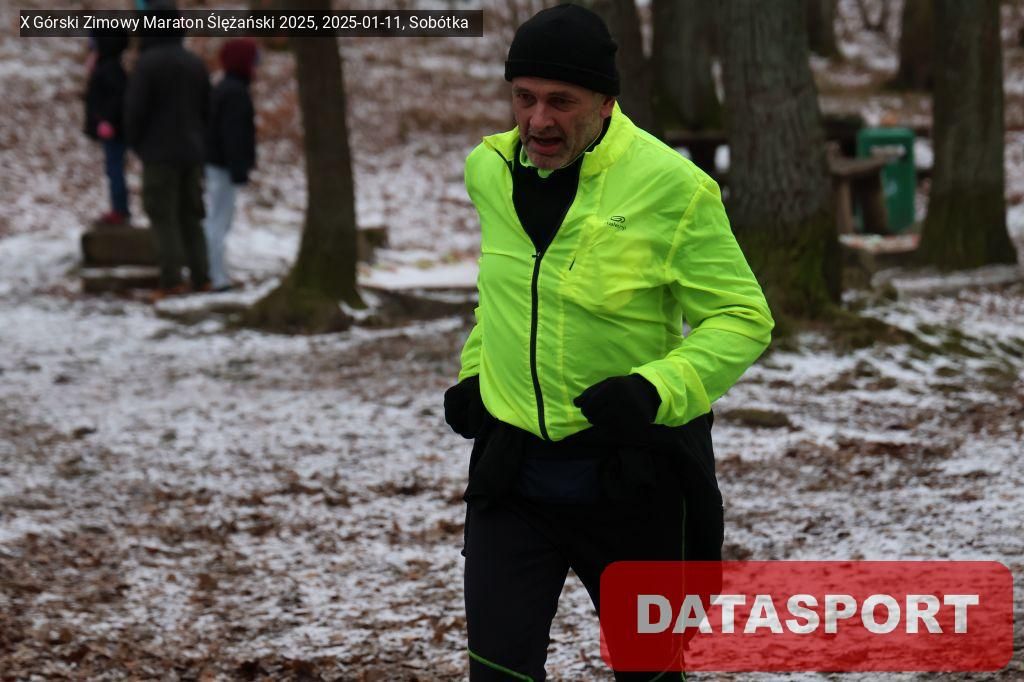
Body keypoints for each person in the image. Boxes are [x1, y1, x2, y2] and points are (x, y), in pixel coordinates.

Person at [443, 4, 774, 680]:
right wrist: (476, 373)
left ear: (605, 102)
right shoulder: (488, 170)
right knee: (497, 673)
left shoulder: (672, 187)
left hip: (633, 480)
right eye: (524, 98)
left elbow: (742, 317)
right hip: (513, 476)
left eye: (561, 101)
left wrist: (655, 389)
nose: (538, 120)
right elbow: (503, 294)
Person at [123, 0, 211, 300]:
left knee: (163, 216)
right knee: (191, 216)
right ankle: (202, 276)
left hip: (159, 153)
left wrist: (137, 142)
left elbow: (135, 110)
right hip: (193, 152)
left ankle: (172, 279)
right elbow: (206, 108)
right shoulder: (194, 63)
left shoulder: (148, 64)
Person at [203, 38, 258, 293]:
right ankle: (216, 276)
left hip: (219, 164)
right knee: (218, 220)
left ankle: (215, 272)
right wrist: (239, 168)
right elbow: (233, 135)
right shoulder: (234, 93)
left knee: (219, 219)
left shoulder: (227, 89)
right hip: (222, 166)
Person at [83, 29, 130, 227]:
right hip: (112, 128)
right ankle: (119, 208)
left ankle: (120, 210)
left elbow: (117, 98)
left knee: (114, 168)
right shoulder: (108, 66)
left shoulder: (110, 69)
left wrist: (107, 121)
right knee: (113, 168)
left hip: (114, 130)